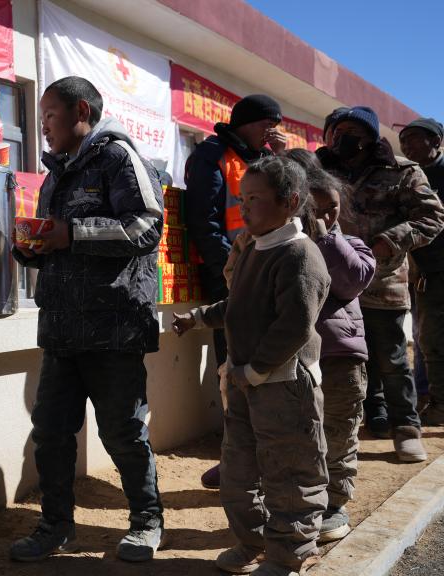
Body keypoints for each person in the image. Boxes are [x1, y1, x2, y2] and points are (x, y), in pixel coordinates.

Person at [9, 76, 166, 563]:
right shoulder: (55, 175)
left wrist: (72, 233)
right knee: (51, 432)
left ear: (81, 111)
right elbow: (57, 243)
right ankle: (55, 527)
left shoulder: (118, 157)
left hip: (114, 328)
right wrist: (31, 248)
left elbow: (146, 226)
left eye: (49, 116)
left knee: (122, 432)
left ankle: (146, 521)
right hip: (62, 331)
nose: (43, 127)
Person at [174, 156, 331, 576]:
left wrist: (255, 370)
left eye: (255, 199)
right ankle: (253, 543)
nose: (243, 208)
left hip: (283, 386)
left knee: (290, 473)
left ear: (290, 201)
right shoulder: (252, 248)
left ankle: (290, 554)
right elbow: (239, 304)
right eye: (241, 199)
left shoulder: (299, 254)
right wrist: (199, 317)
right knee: (238, 471)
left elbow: (294, 325)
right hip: (246, 382)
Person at [318, 106, 444, 461]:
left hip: (383, 281)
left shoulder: (402, 171)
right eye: (337, 131)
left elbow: (432, 216)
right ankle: (358, 424)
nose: (342, 138)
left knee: (391, 359)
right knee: (341, 358)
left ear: (370, 137)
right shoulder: (319, 169)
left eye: (352, 132)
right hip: (332, 285)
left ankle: (406, 429)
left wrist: (388, 243)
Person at [183, 94, 287, 489]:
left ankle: (266, 456)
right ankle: (238, 458)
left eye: (276, 125)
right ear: (244, 122)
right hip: (231, 276)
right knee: (233, 368)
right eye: (266, 123)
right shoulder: (212, 155)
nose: (272, 131)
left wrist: (281, 160)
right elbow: (203, 221)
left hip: (269, 271)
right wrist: (231, 269)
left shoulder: (266, 160)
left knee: (270, 363)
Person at [286, 151, 376, 543]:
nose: (324, 216)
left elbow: (353, 280)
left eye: (332, 208)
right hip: (293, 359)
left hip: (340, 359)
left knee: (338, 435)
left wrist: (325, 238)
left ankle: (335, 504)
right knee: (298, 435)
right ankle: (299, 503)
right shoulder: (284, 244)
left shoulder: (350, 244)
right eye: (315, 209)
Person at [400, 117, 444, 426]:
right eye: (403, 140)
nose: (407, 145)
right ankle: (433, 400)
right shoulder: (407, 177)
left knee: (433, 340)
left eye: (414, 138)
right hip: (420, 274)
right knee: (427, 340)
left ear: (436, 142)